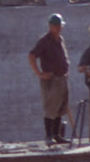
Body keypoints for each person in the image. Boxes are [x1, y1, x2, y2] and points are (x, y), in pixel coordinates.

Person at [27, 14, 70, 145]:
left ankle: (57, 134)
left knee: (60, 107)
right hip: (51, 79)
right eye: (57, 26)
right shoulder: (45, 41)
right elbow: (32, 55)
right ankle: (49, 135)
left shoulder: (60, 39)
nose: (59, 28)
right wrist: (39, 73)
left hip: (62, 78)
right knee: (50, 107)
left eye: (60, 26)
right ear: (50, 26)